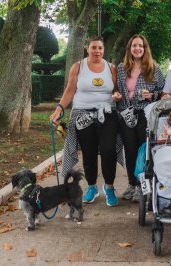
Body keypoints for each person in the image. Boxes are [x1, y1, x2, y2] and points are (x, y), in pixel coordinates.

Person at [50, 36, 122, 207]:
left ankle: (109, 187)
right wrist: (59, 109)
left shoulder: (111, 68)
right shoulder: (78, 66)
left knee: (108, 150)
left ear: (104, 50)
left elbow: (117, 90)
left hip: (107, 113)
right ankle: (91, 187)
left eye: (100, 48)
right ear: (87, 48)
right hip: (83, 115)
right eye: (93, 47)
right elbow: (69, 91)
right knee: (88, 152)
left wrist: (117, 96)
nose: (97, 51)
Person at [115, 34, 165, 202]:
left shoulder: (154, 68)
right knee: (129, 150)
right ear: (130, 48)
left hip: (145, 113)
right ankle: (131, 183)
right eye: (134, 46)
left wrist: (151, 95)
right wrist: (116, 95)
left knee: (143, 151)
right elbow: (117, 90)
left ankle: (142, 186)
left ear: (145, 49)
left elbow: (162, 92)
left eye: (140, 46)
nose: (137, 48)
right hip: (126, 113)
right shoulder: (122, 68)